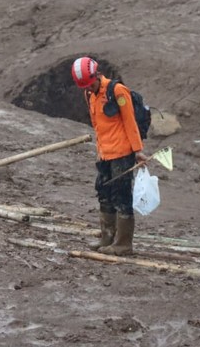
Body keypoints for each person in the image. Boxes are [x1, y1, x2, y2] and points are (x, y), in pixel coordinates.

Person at [72, 56, 148, 256]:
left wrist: (138, 150)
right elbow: (97, 125)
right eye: (85, 87)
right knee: (104, 193)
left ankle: (123, 243)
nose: (89, 88)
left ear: (97, 75)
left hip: (122, 153)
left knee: (121, 196)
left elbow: (130, 121)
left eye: (91, 84)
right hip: (105, 154)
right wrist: (100, 152)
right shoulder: (89, 94)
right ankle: (107, 237)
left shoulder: (118, 91)